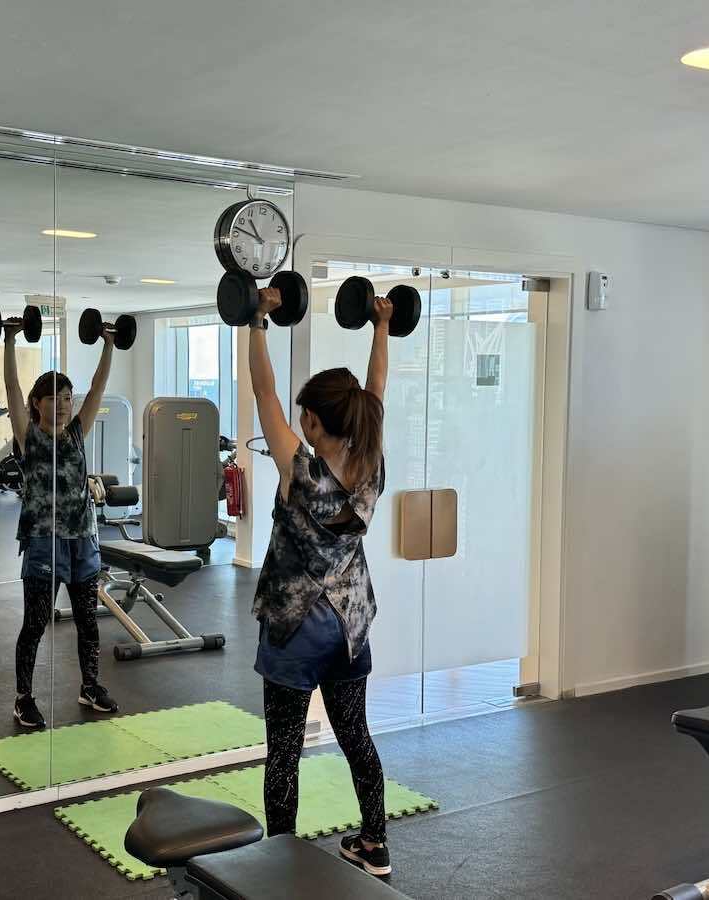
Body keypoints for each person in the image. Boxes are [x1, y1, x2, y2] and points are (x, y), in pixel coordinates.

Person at [248, 286, 393, 877]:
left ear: (311, 421)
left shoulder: (299, 469)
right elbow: (375, 391)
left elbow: (263, 393)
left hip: (295, 629)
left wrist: (257, 321)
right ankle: (374, 844)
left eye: (303, 413)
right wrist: (381, 327)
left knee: (284, 751)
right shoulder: (370, 461)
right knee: (356, 736)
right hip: (349, 627)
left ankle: (281, 857)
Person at [3, 318, 118, 729]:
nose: (63, 404)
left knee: (88, 620)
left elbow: (99, 386)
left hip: (83, 540)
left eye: (67, 397)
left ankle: (90, 686)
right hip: (43, 542)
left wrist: (109, 344)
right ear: (37, 403)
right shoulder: (28, 436)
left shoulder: (77, 433)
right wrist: (10, 340)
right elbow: (11, 389)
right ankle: (23, 698)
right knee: (35, 623)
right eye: (53, 398)